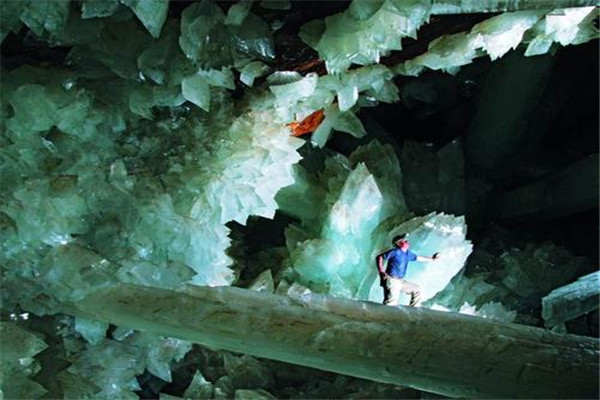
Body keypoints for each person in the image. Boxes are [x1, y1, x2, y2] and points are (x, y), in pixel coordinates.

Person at [376, 233, 440, 307]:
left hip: (400, 281)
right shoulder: (395, 252)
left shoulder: (407, 254)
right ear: (399, 244)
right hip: (392, 280)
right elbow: (379, 257)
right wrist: (381, 271)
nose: (407, 242)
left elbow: (418, 258)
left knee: (417, 289)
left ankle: (413, 311)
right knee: (391, 304)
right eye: (405, 241)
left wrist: (432, 259)